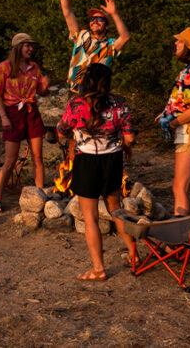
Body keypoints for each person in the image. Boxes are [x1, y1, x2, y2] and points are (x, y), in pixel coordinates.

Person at [56, 63, 136, 281]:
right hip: (113, 159)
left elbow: (61, 131)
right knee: (115, 209)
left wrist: (73, 135)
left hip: (87, 162)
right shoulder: (119, 103)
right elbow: (129, 138)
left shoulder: (77, 105)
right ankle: (134, 254)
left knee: (90, 218)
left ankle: (99, 269)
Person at [0, 33, 51, 212]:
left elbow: (42, 93)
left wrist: (45, 87)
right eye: (27, 45)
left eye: (31, 46)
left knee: (38, 156)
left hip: (31, 112)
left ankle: (40, 195)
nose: (31, 49)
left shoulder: (34, 68)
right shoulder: (4, 67)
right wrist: (4, 117)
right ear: (18, 47)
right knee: (10, 159)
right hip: (13, 114)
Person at [157, 28, 190, 217]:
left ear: (188, 47)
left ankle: (182, 238)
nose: (175, 44)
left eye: (180, 41)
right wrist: (169, 111)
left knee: (179, 187)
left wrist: (172, 123)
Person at [52, 0, 130, 94]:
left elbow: (125, 37)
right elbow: (67, 11)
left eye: (99, 19)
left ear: (107, 25)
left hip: (97, 95)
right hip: (74, 92)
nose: (94, 21)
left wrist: (114, 14)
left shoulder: (110, 45)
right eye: (92, 19)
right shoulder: (81, 35)